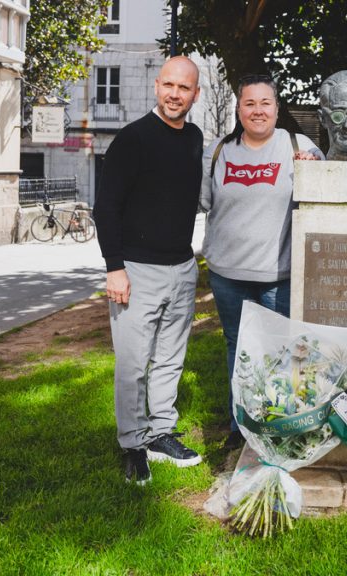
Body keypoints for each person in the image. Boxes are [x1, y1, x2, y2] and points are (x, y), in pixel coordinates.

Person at [93, 56, 205, 485]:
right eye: (169, 85)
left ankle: (160, 434)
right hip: (137, 271)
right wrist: (114, 268)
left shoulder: (194, 137)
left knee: (169, 361)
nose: (176, 94)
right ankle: (132, 445)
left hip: (182, 267)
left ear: (196, 94)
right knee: (133, 363)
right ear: (157, 86)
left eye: (185, 88)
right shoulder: (132, 139)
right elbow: (106, 207)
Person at [200, 74, 322, 445]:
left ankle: (277, 423)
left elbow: (324, 198)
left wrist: (310, 170)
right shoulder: (219, 151)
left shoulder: (298, 146)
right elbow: (204, 202)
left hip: (277, 273)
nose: (257, 111)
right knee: (238, 348)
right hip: (226, 273)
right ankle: (241, 425)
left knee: (280, 351)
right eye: (249, 103)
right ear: (239, 109)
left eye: (264, 103)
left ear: (276, 108)